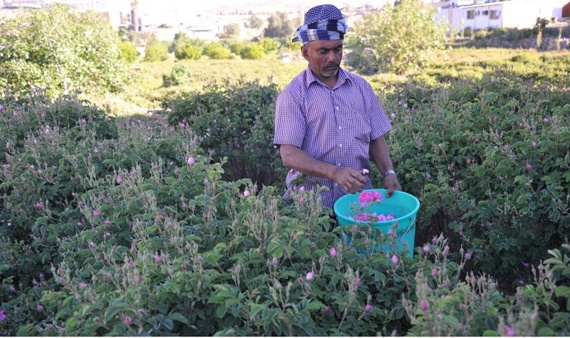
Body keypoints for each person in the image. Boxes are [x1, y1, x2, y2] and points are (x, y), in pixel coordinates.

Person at [273, 3, 401, 209]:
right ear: (305, 53)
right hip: (312, 209)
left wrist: (389, 173)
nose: (332, 58)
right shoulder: (293, 95)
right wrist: (334, 173)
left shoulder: (361, 87)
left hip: (358, 203)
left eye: (337, 49)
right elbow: (289, 155)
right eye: (323, 51)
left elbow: (376, 138)